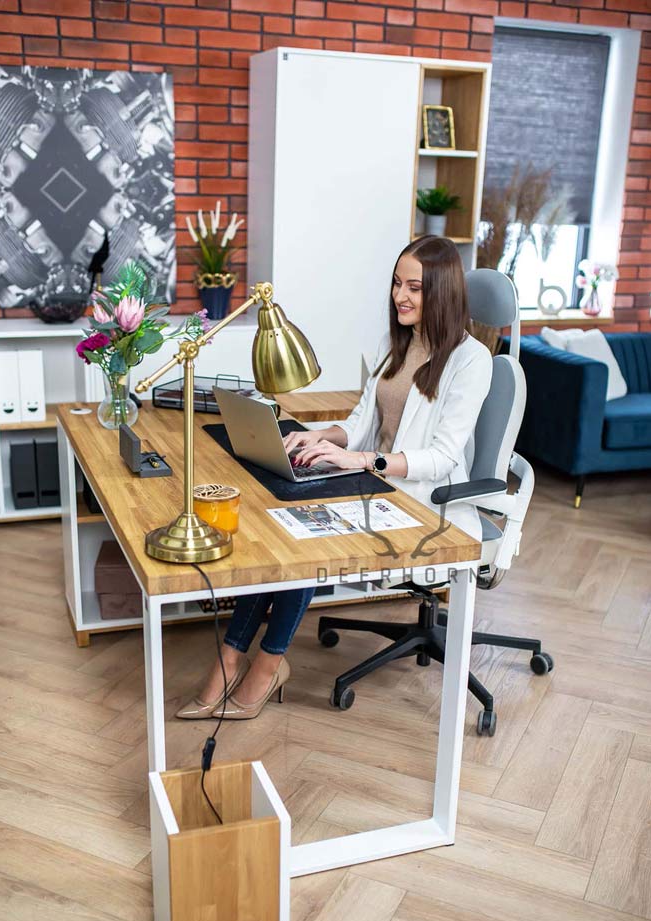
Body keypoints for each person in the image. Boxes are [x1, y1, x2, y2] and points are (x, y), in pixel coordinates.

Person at [177, 235, 492, 723]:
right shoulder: (398, 342)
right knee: (280, 525)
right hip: (375, 482)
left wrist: (362, 460)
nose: (400, 296)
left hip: (424, 502)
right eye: (396, 283)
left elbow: (443, 458)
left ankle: (267, 665)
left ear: (444, 293)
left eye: (415, 287)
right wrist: (320, 437)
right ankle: (230, 657)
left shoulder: (471, 360)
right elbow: (363, 421)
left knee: (302, 545)